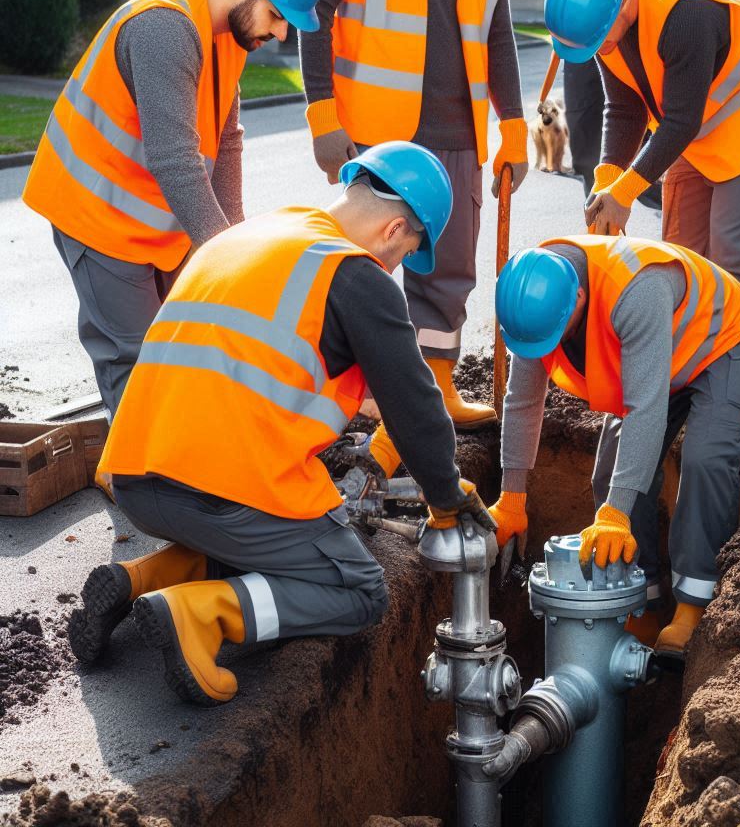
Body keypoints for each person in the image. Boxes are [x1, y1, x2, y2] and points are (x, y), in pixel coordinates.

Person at [69, 143, 496, 705]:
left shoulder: (250, 237)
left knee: (262, 542)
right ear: (394, 230)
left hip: (136, 482)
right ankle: (201, 615)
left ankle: (138, 583)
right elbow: (416, 405)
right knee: (358, 588)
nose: (394, 268)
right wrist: (445, 495)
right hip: (220, 492)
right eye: (405, 253)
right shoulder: (356, 276)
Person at [298, 0, 529, 477]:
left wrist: (513, 130)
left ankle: (435, 388)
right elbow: (313, 8)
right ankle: (339, 403)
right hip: (377, 138)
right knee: (354, 275)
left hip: (459, 133)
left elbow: (499, 33)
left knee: (448, 271)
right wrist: (321, 118)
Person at [21, 0, 324, 418]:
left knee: (187, 344)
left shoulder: (227, 30)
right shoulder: (165, 27)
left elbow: (225, 141)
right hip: (94, 213)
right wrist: (225, 257)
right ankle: (132, 483)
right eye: (276, 15)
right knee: (137, 359)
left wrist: (236, 240)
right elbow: (176, 159)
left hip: (152, 218)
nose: (280, 32)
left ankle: (178, 465)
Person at [543, 0, 740, 435]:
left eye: (601, 39)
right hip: (694, 128)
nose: (601, 49)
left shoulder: (684, 13)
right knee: (680, 254)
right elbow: (622, 107)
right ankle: (695, 367)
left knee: (734, 255)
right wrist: (607, 178)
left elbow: (681, 120)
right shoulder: (605, 19)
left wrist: (627, 190)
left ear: (622, 1)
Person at [487, 236, 740, 658]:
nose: (544, 351)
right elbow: (523, 399)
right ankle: (644, 603)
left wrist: (617, 512)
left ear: (578, 299)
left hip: (723, 341)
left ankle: (692, 607)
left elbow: (646, 406)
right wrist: (512, 496)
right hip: (660, 355)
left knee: (705, 457)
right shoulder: (533, 304)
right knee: (608, 476)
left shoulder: (636, 289)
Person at [558, 0, 716, 197]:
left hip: (703, 123)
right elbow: (622, 100)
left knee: (717, 243)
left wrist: (629, 184)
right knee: (679, 240)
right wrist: (610, 181)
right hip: (668, 131)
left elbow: (696, 59)